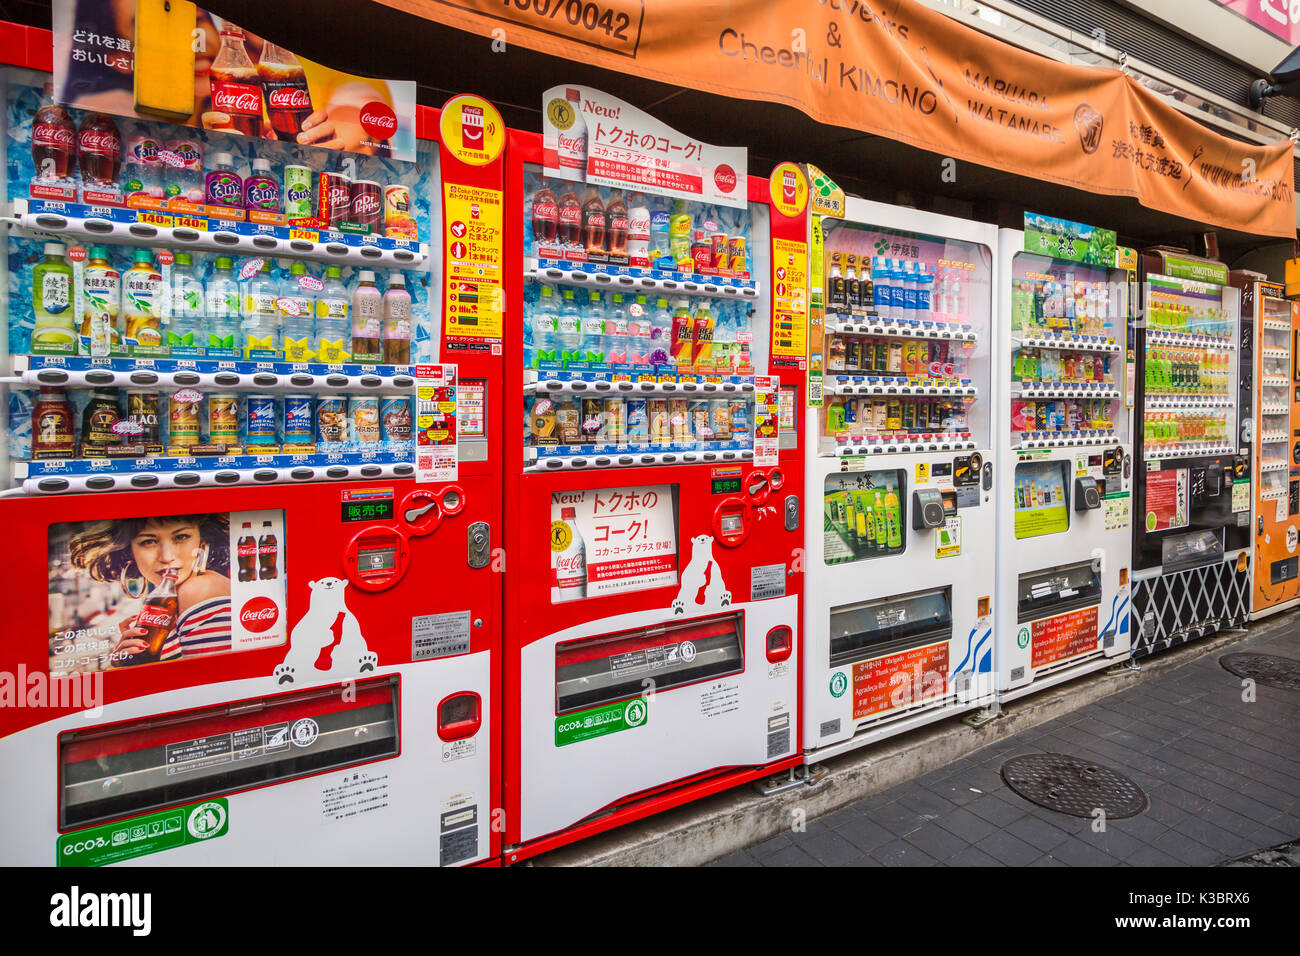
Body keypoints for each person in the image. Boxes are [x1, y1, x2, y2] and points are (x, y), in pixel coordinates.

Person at [67, 514, 232, 666]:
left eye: (181, 537)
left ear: (201, 542)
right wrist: (127, 661)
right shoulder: (174, 597)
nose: (167, 557)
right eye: (149, 541)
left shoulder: (196, 590)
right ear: (130, 551)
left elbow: (206, 686)